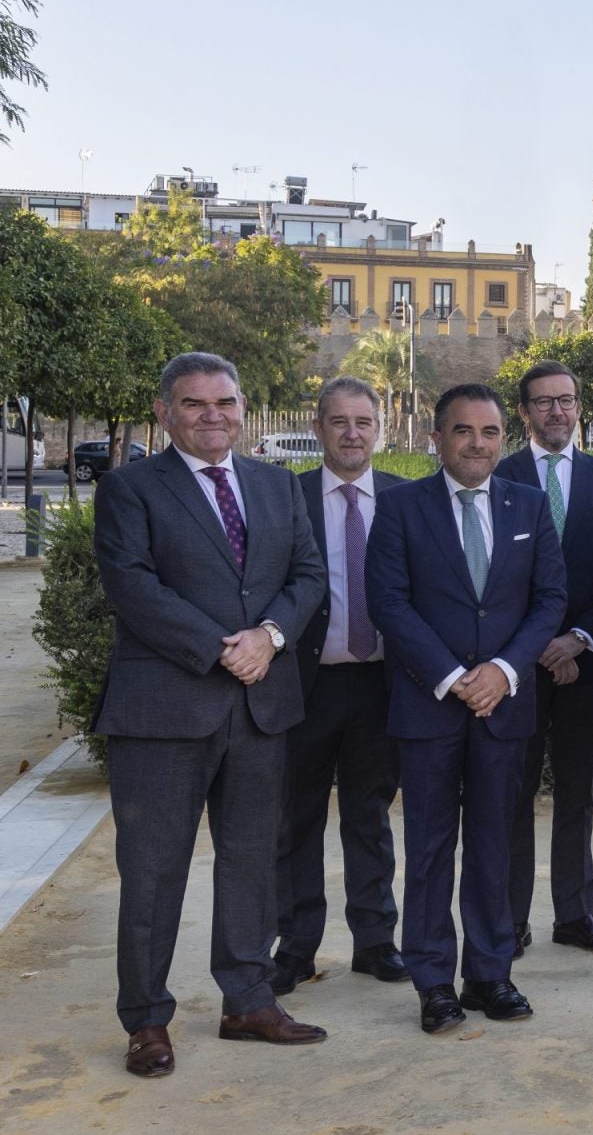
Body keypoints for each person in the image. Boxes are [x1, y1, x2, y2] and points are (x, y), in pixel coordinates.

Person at [94, 352, 330, 1078]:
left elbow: (308, 574)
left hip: (260, 707)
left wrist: (272, 637)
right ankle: (146, 1020)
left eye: (225, 402)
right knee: (152, 870)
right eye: (194, 404)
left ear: (243, 407)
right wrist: (224, 649)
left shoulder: (276, 485)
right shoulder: (129, 488)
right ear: (165, 413)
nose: (212, 416)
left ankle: (248, 1001)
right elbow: (132, 586)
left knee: (253, 862)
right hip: (163, 711)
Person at [365, 384, 567, 1035]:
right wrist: (454, 678)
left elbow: (550, 599)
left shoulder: (528, 505)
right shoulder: (401, 508)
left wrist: (504, 672)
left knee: (493, 845)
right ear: (437, 438)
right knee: (428, 849)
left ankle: (489, 974)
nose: (477, 444)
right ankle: (433, 983)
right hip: (429, 708)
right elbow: (388, 602)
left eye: (489, 432)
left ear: (504, 438)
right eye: (463, 430)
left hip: (503, 709)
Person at [271, 377, 409, 997]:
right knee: (295, 818)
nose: (352, 434)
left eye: (363, 422)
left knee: (370, 815)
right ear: (318, 427)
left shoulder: (406, 499)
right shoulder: (287, 497)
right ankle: (295, 947)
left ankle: (375, 941)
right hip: (306, 685)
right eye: (339, 422)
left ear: (379, 428)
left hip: (382, 685)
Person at [496, 360, 593, 958]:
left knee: (578, 792)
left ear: (579, 407)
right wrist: (539, 646)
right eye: (543, 402)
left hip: (586, 659)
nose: (557, 411)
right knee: (514, 793)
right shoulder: (500, 476)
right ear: (524, 412)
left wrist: (578, 638)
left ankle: (574, 915)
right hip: (515, 667)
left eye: (566, 400)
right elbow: (493, 579)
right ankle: (510, 920)